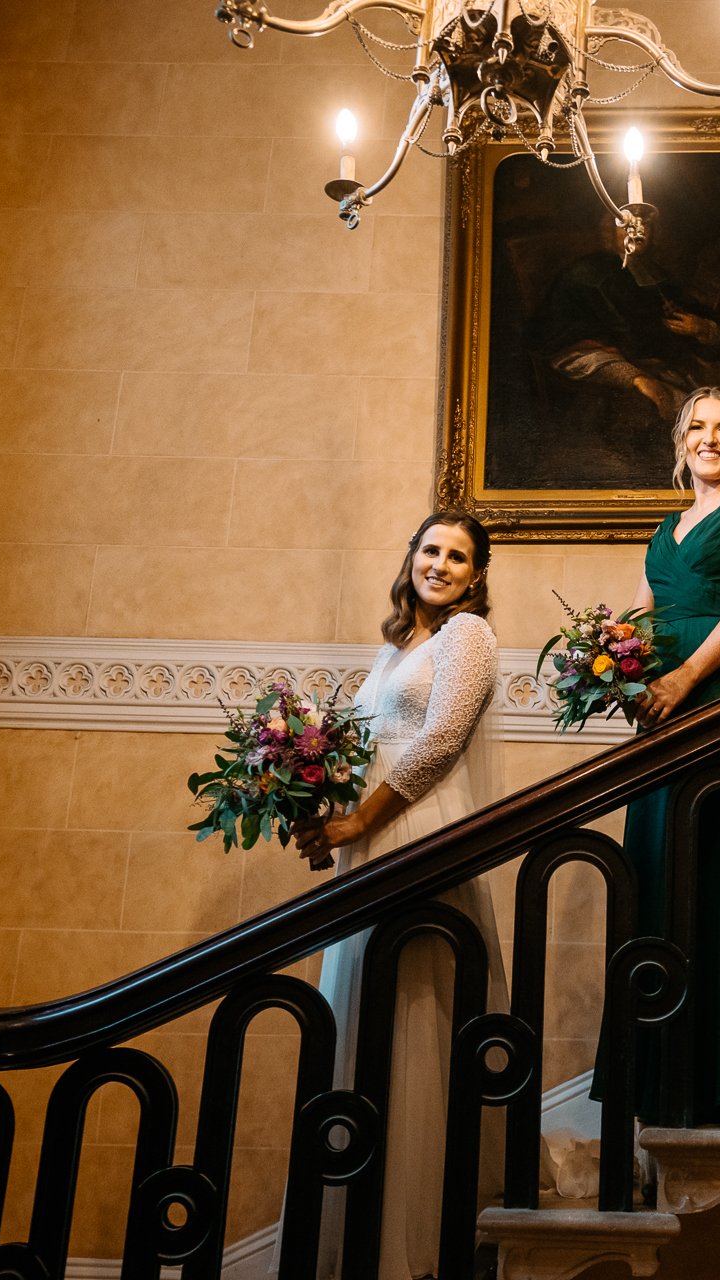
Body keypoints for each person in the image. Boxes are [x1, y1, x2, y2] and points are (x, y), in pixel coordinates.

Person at [286, 510, 509, 1280]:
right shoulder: (396, 647)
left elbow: (441, 740)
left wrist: (360, 824)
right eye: (430, 550)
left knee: (416, 1020)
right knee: (367, 1021)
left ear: (476, 576)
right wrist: (315, 808)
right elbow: (354, 749)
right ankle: (365, 1230)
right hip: (372, 839)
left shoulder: (466, 637)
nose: (440, 564)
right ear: (410, 558)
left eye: (457, 557)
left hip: (420, 840)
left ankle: (412, 1246)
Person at [589, 386, 720, 1128]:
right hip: (661, 710)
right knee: (660, 871)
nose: (711, 439)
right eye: (698, 428)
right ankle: (662, 1078)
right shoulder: (666, 526)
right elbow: (639, 612)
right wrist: (606, 664)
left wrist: (683, 677)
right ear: (680, 442)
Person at [537, 213, 720, 420]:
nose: (637, 230)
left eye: (645, 222)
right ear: (609, 230)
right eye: (624, 223)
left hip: (666, 370)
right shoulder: (588, 276)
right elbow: (575, 344)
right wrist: (636, 374)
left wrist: (703, 328)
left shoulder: (655, 273)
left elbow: (704, 324)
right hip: (604, 366)